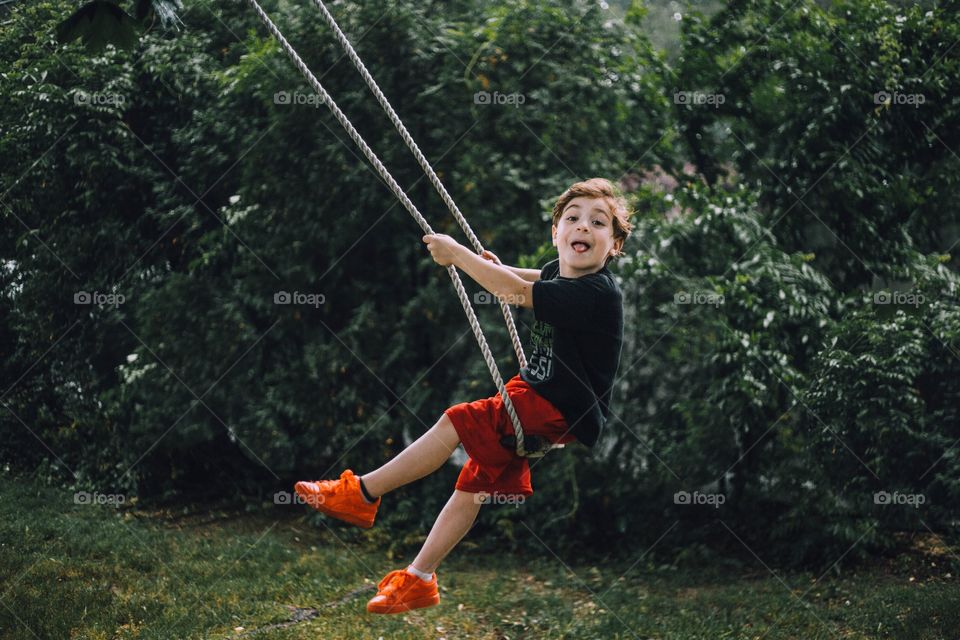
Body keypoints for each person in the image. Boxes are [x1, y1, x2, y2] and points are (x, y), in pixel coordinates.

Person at [294, 177, 633, 614]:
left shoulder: (597, 292)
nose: (583, 227)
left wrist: (461, 256)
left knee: (456, 420)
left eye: (598, 223)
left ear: (614, 245)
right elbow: (527, 280)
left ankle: (361, 493)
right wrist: (490, 265)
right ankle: (420, 578)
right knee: (473, 483)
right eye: (573, 219)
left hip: (557, 405)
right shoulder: (558, 274)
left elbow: (516, 293)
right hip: (536, 393)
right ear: (555, 233)